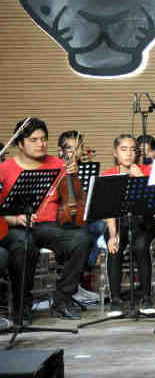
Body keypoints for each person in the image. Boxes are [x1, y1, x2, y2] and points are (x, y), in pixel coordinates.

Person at [0, 118, 93, 322]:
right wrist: (14, 219)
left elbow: (76, 199)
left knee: (82, 238)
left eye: (43, 139)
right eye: (34, 140)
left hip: (49, 225)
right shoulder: (4, 169)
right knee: (24, 245)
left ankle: (62, 300)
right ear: (19, 144)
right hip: (15, 226)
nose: (41, 144)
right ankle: (21, 306)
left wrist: (74, 178)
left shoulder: (58, 164)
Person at [102, 134, 155, 316]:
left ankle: (145, 297)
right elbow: (108, 210)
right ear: (115, 152)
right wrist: (113, 234)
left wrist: (141, 179)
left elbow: (154, 204)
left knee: (141, 246)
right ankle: (115, 299)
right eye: (123, 149)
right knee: (115, 247)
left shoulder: (147, 171)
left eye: (132, 150)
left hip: (144, 222)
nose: (129, 154)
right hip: (119, 222)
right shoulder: (108, 175)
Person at [56, 130, 103, 307]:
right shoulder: (56, 167)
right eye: (70, 149)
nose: (74, 153)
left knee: (102, 227)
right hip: (63, 218)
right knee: (84, 234)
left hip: (83, 216)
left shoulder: (87, 169)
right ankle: (77, 280)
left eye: (78, 148)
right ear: (60, 150)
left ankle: (84, 270)